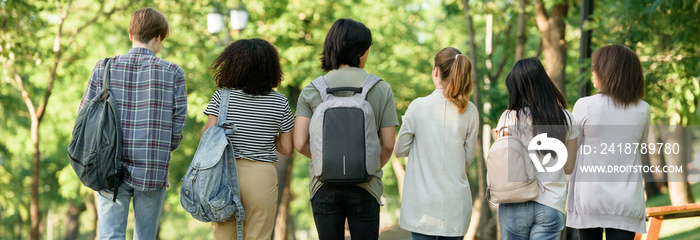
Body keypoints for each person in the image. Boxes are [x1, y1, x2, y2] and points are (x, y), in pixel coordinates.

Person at [79, 8, 187, 240]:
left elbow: (84, 117)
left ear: (131, 35)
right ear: (159, 38)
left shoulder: (103, 67)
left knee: (110, 235)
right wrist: (160, 148)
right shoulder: (173, 73)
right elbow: (177, 128)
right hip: (152, 166)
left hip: (108, 166)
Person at [293, 18, 398, 239]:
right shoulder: (381, 88)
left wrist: (326, 159)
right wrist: (364, 164)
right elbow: (388, 144)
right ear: (360, 51)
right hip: (366, 186)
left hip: (323, 186)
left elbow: (300, 142)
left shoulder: (313, 89)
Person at [203, 38, 294, 240]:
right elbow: (287, 149)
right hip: (261, 176)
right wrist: (268, 137)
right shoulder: (279, 101)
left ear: (233, 65)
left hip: (224, 175)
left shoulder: (222, 97)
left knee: (224, 236)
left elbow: (207, 136)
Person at [394, 47, 479, 240]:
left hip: (422, 209)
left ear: (436, 72)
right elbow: (467, 159)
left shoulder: (418, 106)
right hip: (455, 208)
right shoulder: (470, 111)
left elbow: (399, 150)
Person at [566, 44, 649, 240]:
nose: (593, 71)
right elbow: (639, 147)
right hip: (627, 202)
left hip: (589, 201)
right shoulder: (643, 109)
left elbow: (571, 153)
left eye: (596, 66)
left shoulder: (584, 105)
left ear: (609, 71)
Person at [494, 58, 578, 240]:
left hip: (515, 201)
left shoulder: (508, 118)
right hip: (551, 203)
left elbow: (501, 164)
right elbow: (569, 167)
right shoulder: (566, 118)